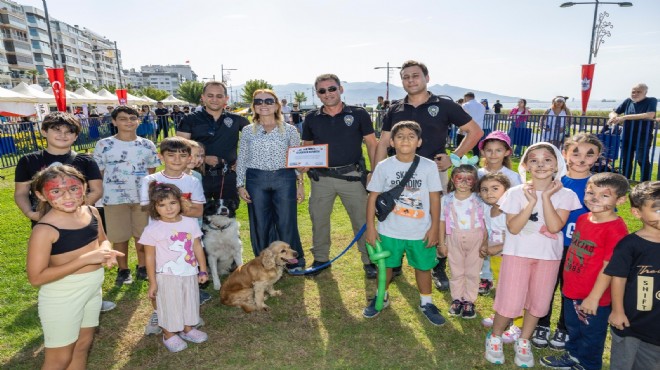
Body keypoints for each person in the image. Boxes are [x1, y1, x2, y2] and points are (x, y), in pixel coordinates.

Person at [375, 60, 484, 289]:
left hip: (433, 174)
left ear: (427, 78)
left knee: (438, 218)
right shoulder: (395, 108)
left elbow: (475, 132)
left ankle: (437, 266)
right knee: (397, 215)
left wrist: (453, 157)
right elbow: (384, 142)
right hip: (397, 176)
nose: (410, 80)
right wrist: (377, 173)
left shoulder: (444, 105)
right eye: (406, 77)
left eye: (415, 75)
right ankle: (395, 263)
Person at [484, 142, 581, 367]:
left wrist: (546, 198)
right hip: (517, 254)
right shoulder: (515, 193)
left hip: (548, 257)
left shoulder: (565, 194)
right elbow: (514, 227)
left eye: (547, 159)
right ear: (526, 165)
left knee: (538, 302)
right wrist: (531, 202)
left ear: (557, 164)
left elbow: (556, 226)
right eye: (534, 160)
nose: (540, 165)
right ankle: (496, 337)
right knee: (510, 298)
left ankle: (524, 340)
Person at [14, 112, 117, 312]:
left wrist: (77, 209)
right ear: (44, 131)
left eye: (69, 132)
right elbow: (20, 193)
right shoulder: (29, 161)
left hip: (81, 221)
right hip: (46, 222)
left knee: (86, 257)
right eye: (56, 130)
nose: (63, 135)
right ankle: (58, 300)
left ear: (76, 136)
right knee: (53, 261)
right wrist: (31, 214)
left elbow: (96, 189)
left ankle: (92, 297)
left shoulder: (85, 160)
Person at [27, 165, 123, 369]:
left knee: (82, 345)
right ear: (41, 195)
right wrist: (86, 259)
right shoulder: (45, 230)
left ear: (85, 187)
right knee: (59, 359)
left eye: (73, 188)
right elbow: (36, 277)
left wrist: (106, 253)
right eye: (56, 191)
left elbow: (103, 240)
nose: (67, 196)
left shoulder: (92, 211)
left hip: (92, 290)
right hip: (62, 297)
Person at [540, 173, 629, 370]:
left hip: (594, 297)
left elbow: (609, 267)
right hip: (573, 289)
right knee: (574, 327)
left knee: (591, 334)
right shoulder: (582, 218)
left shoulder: (615, 229)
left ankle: (588, 364)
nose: (595, 198)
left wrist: (594, 297)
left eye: (604, 195)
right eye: (590, 192)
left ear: (620, 200)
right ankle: (573, 355)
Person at [363, 121, 445, 325]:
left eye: (411, 136)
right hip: (389, 230)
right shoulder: (384, 166)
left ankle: (426, 302)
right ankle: (381, 295)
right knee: (386, 266)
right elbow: (372, 198)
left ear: (419, 142)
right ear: (391, 142)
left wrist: (434, 228)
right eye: (400, 136)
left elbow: (435, 198)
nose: (405, 139)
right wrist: (371, 228)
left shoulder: (428, 166)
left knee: (423, 267)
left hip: (420, 230)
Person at [301, 74, 378, 278]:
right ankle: (321, 259)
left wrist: (375, 172)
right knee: (319, 219)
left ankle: (369, 259)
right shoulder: (311, 117)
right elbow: (306, 147)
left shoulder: (359, 114)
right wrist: (302, 164)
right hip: (321, 179)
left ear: (341, 89)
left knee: (362, 219)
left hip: (352, 175)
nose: (328, 94)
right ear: (317, 94)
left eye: (332, 89)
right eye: (322, 91)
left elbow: (372, 144)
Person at [533, 133, 604, 350]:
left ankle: (564, 328)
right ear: (564, 154)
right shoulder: (556, 182)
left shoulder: (599, 185)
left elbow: (605, 217)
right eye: (576, 152)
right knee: (545, 285)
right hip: (552, 243)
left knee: (570, 290)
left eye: (589, 154)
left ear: (598, 157)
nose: (582, 159)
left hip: (580, 248)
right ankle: (541, 323)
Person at [236, 89, 306, 271]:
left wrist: (300, 184)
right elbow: (242, 158)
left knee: (286, 221)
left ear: (276, 105)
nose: (264, 105)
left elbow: (296, 159)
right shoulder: (247, 131)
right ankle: (264, 263)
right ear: (254, 106)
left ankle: (293, 262)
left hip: (284, 178)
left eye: (268, 101)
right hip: (256, 179)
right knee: (260, 222)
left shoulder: (290, 130)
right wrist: (240, 185)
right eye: (258, 102)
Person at [93, 106, 160, 286]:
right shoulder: (104, 145)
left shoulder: (147, 144)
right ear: (114, 122)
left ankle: (143, 267)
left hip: (142, 198)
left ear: (138, 121)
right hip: (114, 198)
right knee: (119, 236)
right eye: (123, 118)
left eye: (132, 118)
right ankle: (123, 270)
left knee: (143, 235)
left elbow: (151, 172)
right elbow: (98, 172)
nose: (128, 122)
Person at [139, 182, 209, 353]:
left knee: (188, 300)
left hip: (189, 273)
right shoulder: (152, 229)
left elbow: (197, 246)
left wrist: (203, 269)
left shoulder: (190, 223)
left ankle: (187, 328)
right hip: (166, 276)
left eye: (172, 203)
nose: (168, 208)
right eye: (162, 205)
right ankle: (168, 334)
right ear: (155, 208)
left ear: (180, 202)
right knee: (169, 305)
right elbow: (149, 257)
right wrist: (153, 282)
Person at [605, 181, 660, 370]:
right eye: (658, 210)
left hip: (656, 325)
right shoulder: (629, 245)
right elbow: (617, 277)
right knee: (622, 364)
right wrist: (617, 310)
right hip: (629, 322)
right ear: (637, 213)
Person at [177, 81, 249, 203]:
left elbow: (258, 141)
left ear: (226, 98)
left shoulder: (237, 120)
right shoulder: (190, 119)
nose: (214, 99)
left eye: (219, 96)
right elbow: (180, 148)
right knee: (196, 216)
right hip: (197, 175)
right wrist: (203, 159)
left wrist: (244, 161)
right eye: (210, 95)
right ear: (203, 97)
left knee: (227, 217)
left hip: (227, 176)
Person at [476, 131, 523, 297]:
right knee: (483, 247)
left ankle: (506, 281)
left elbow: (519, 200)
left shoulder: (512, 176)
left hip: (502, 217)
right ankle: (485, 277)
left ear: (507, 152)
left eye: (498, 150)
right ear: (482, 151)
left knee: (499, 247)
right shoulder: (478, 173)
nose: (493, 154)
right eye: (489, 150)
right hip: (482, 215)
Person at [479, 173, 524, 343]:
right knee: (502, 287)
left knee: (516, 290)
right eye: (484, 189)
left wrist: (498, 247)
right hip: (496, 258)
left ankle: (518, 324)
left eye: (495, 188)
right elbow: (487, 230)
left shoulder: (510, 209)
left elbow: (516, 234)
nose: (489, 193)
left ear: (507, 190)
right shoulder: (486, 208)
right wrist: (485, 244)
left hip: (511, 257)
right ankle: (502, 313)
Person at [439, 162, 486, 320]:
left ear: (475, 181)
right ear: (453, 179)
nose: (464, 182)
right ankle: (457, 299)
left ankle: (469, 301)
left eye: (469, 179)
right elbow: (441, 222)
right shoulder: (446, 200)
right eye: (460, 178)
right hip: (453, 238)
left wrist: (485, 242)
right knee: (456, 270)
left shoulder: (479, 200)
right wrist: (441, 242)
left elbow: (486, 223)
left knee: (473, 272)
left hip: (476, 237)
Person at [608, 83, 657, 182]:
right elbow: (614, 111)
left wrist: (625, 117)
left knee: (642, 160)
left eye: (639, 92)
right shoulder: (628, 101)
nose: (635, 94)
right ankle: (625, 181)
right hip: (626, 135)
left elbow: (650, 115)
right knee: (626, 160)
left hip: (643, 136)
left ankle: (645, 182)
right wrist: (613, 116)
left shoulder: (651, 100)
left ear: (645, 92)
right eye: (633, 92)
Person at [459, 92, 486, 158]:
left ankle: (458, 162)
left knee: (460, 147)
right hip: (478, 129)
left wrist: (460, 129)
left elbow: (462, 117)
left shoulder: (465, 105)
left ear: (466, 97)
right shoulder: (482, 106)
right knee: (476, 148)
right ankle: (476, 163)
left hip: (466, 130)